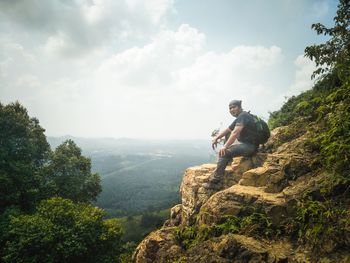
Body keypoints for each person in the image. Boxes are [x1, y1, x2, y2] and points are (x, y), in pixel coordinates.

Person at [204, 100, 259, 189]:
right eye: (230, 108)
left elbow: (235, 132)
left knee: (224, 153)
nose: (232, 109)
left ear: (240, 107)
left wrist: (225, 147)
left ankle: (215, 182)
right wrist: (216, 138)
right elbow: (228, 130)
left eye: (234, 107)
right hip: (249, 145)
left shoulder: (243, 116)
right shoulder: (241, 116)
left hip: (250, 147)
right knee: (227, 136)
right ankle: (226, 162)